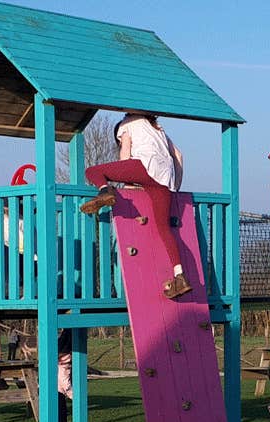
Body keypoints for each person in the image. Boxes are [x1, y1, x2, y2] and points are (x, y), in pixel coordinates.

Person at [79, 113, 190, 299]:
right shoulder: (158, 129)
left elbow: (126, 153)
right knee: (164, 229)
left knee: (92, 171)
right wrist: (175, 187)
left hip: (146, 167)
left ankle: (105, 190)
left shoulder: (126, 124)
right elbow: (178, 155)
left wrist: (128, 185)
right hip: (165, 180)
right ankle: (180, 277)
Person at [17, 329, 73, 422]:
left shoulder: (57, 352)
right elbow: (63, 379)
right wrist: (74, 396)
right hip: (55, 391)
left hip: (47, 389)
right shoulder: (65, 356)